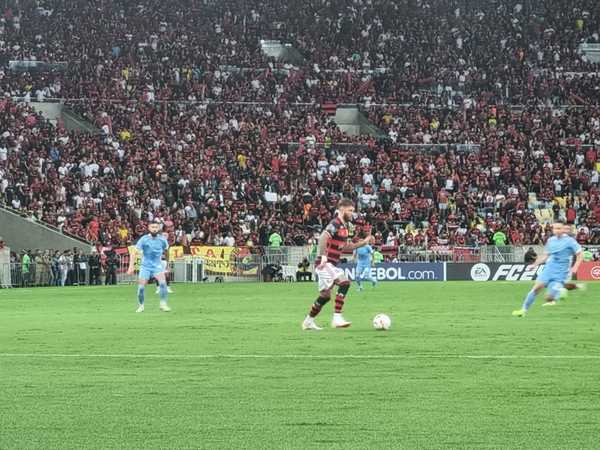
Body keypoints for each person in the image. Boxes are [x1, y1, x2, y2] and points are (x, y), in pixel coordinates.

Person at [302, 198, 372, 330]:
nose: (352, 213)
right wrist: (323, 256)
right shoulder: (335, 223)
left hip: (331, 264)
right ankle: (337, 317)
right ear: (342, 209)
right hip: (325, 263)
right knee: (345, 282)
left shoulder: (344, 227)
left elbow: (346, 247)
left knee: (325, 296)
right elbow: (323, 236)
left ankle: (308, 321)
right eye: (350, 210)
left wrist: (364, 242)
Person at [512, 222, 583, 317]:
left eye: (559, 228)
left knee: (549, 299)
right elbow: (545, 255)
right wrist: (535, 264)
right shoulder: (551, 240)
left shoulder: (570, 241)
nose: (557, 230)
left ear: (563, 229)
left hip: (560, 272)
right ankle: (523, 310)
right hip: (549, 269)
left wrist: (575, 267)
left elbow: (580, 254)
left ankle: (560, 290)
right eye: (555, 228)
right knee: (536, 288)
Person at [127, 220, 171, 313]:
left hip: (157, 266)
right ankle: (141, 306)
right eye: (152, 227)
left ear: (159, 228)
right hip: (145, 266)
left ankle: (163, 304)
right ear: (149, 228)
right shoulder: (144, 239)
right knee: (141, 287)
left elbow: (167, 251)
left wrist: (167, 263)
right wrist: (131, 266)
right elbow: (133, 252)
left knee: (163, 284)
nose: (154, 229)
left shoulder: (163, 239)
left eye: (156, 227)